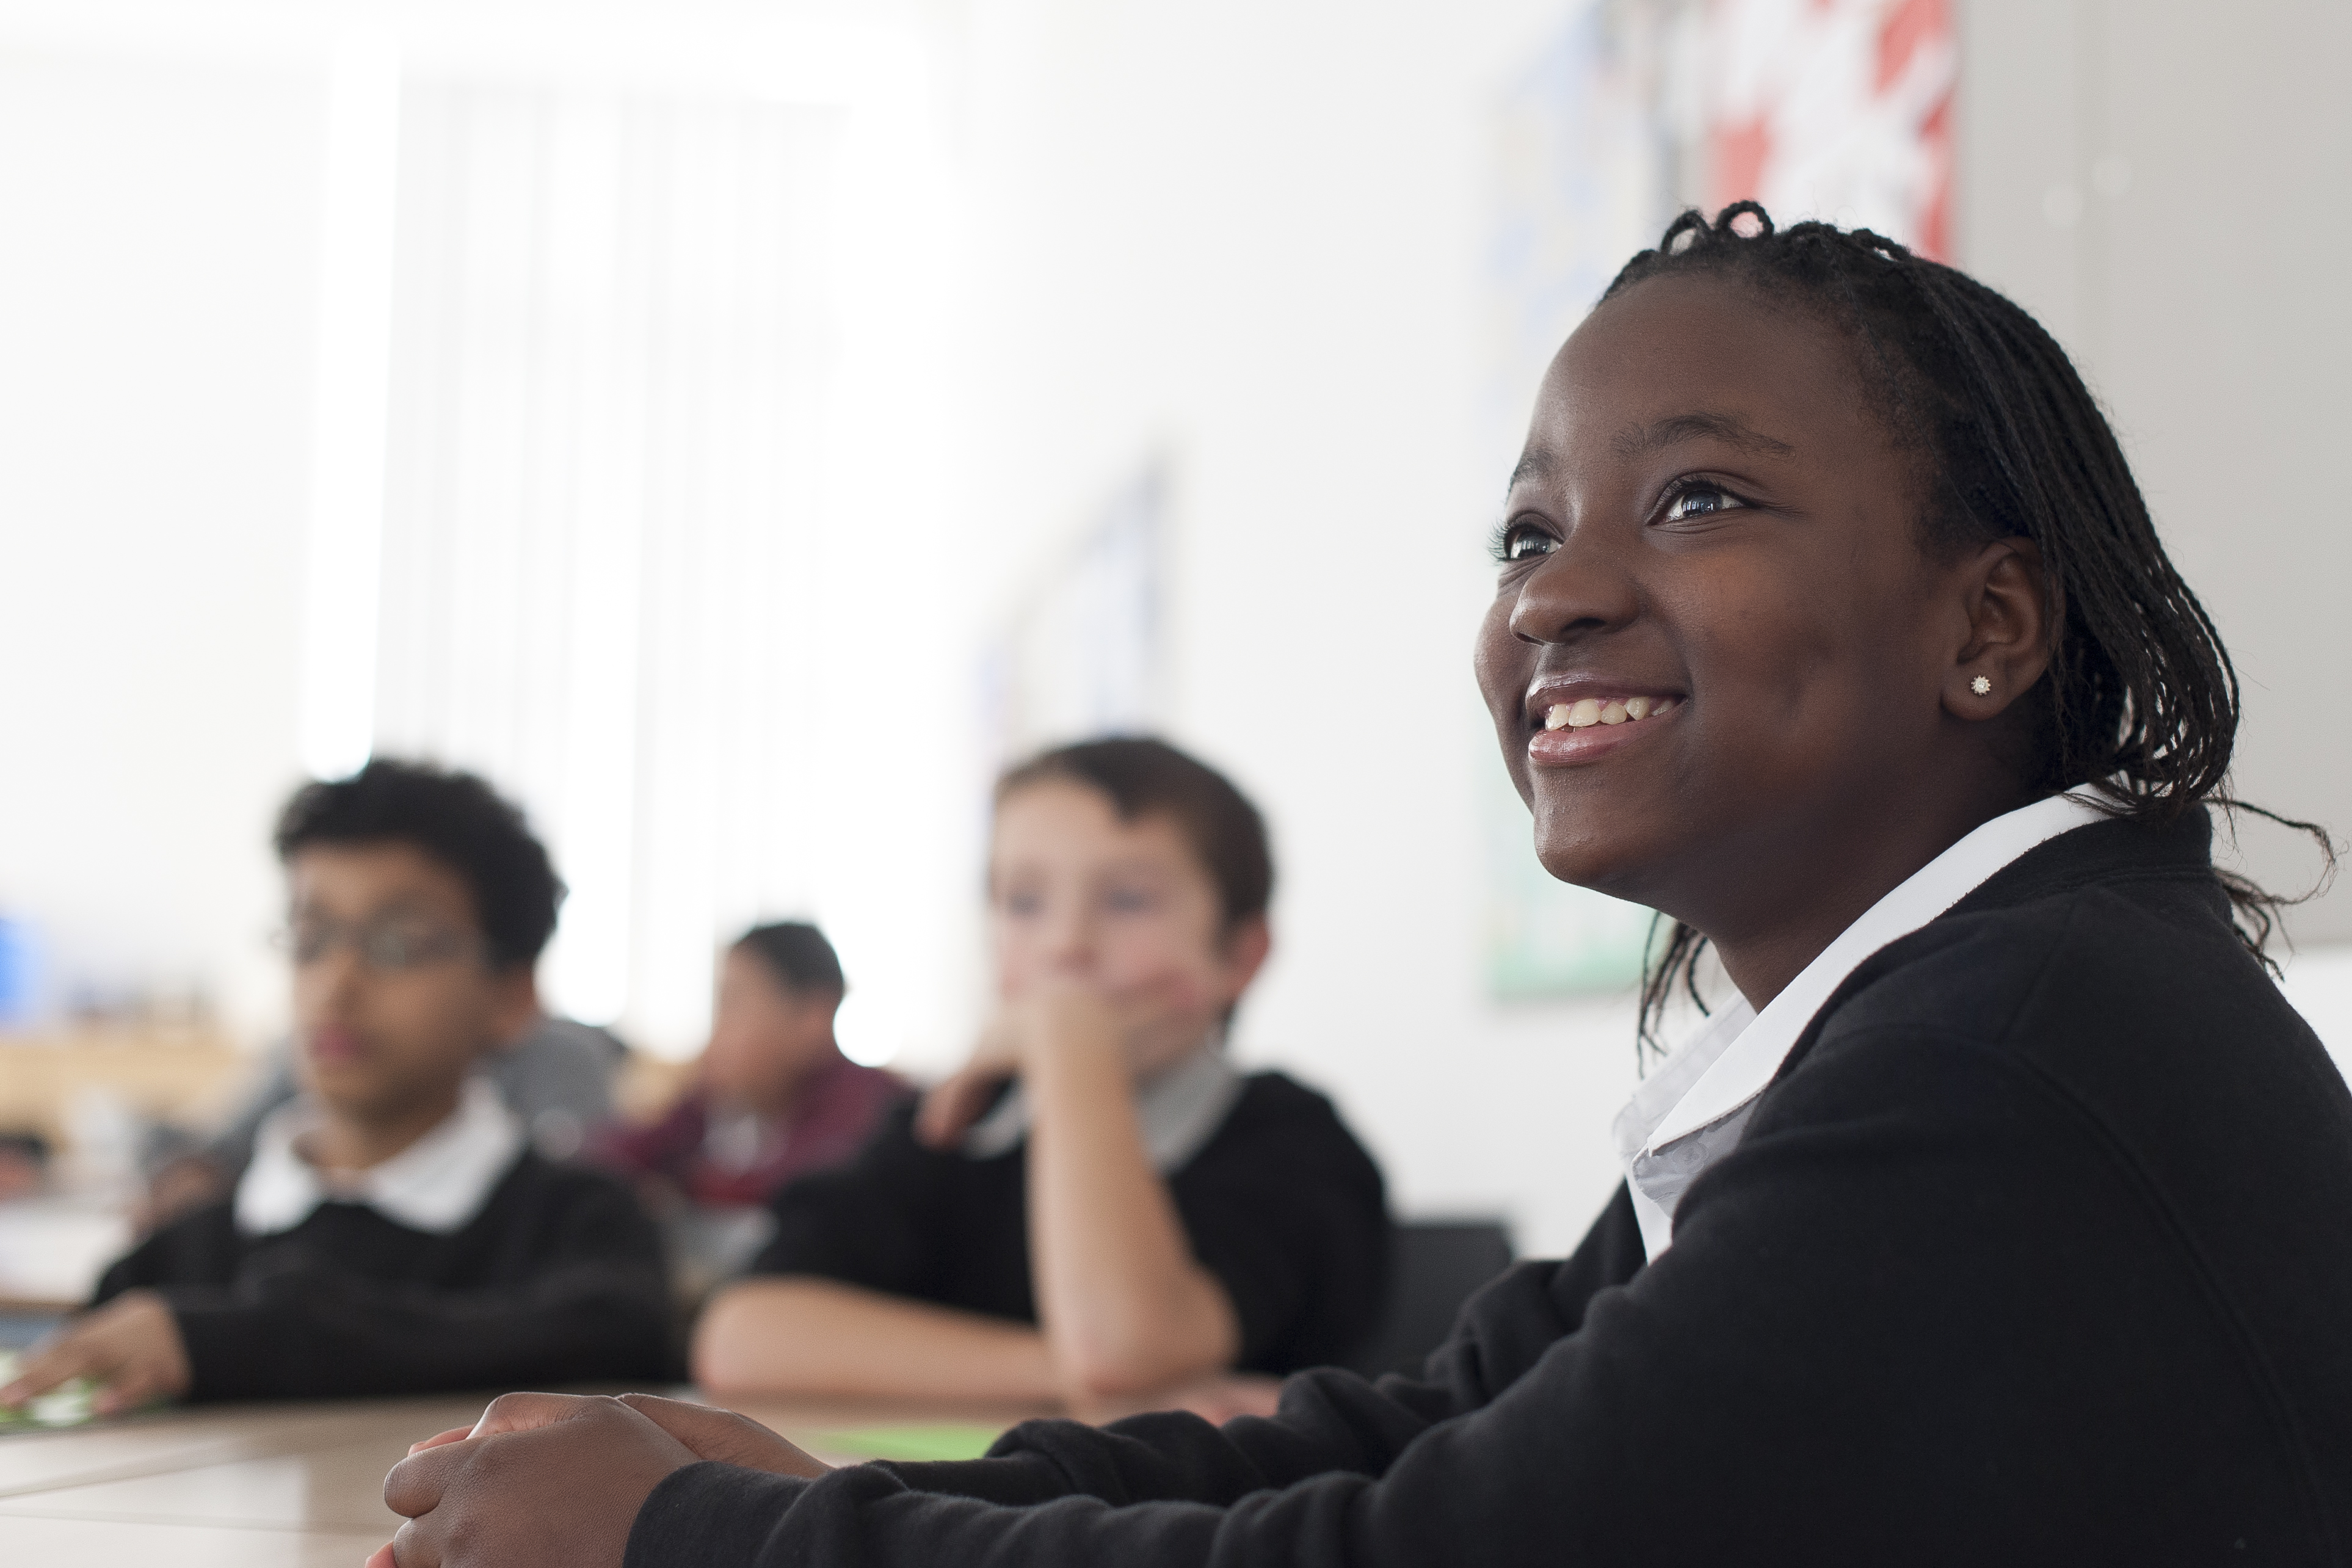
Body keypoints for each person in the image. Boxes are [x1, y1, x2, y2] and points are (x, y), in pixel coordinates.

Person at [366, 206, 2352, 1565]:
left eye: (1696, 496)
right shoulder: (1919, 1017)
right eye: (1523, 526)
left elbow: (1419, 1548)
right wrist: (838, 1485)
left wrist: (709, 1534)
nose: (1556, 591)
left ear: (1987, 622)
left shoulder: (2018, 1045)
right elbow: (1426, 1421)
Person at [689, 738, 1389, 1406]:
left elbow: (1121, 1347)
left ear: (1240, 956)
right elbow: (737, 1338)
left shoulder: (1293, 1142)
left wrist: (1068, 1047)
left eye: (1128, 900)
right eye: (1024, 902)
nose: (1065, 946)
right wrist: (1057, 1368)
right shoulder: (957, 1130)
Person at [0, 760, 671, 1413]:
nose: (336, 983)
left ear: (509, 994)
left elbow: (613, 1344)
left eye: (398, 942)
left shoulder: (580, 1226)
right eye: (312, 938)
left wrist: (250, 1343)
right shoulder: (182, 1254)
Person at [593, 922, 901, 1211]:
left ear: (813, 1019)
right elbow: (624, 1154)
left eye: (733, 1004)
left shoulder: (868, 1106)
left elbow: (792, 1190)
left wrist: (677, 1187)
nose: (718, 1032)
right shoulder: (730, 1096)